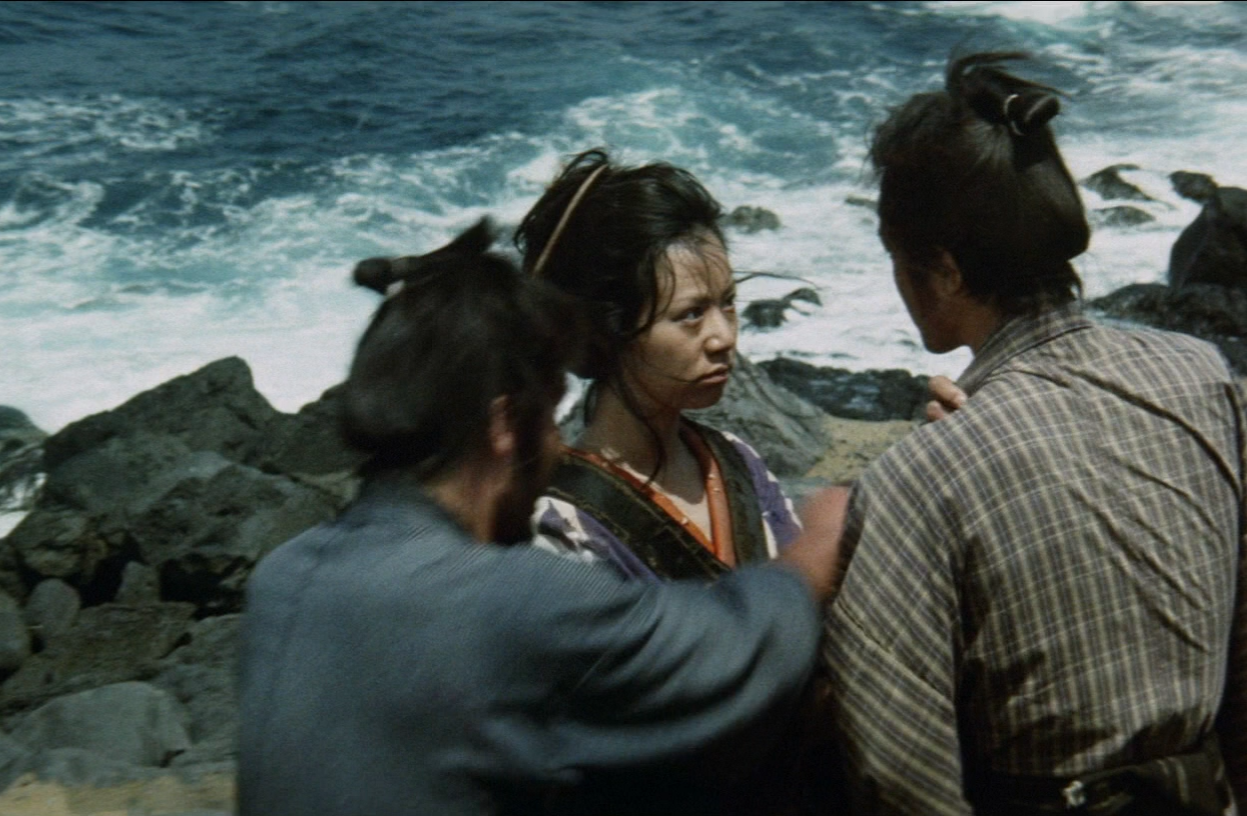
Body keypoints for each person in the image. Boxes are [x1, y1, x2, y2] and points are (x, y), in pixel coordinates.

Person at [823, 52, 1247, 816]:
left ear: (944, 270)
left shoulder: (920, 476)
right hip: (1208, 791)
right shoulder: (1203, 376)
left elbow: (899, 770)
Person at [235, 220, 850, 816]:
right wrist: (816, 545)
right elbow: (733, 651)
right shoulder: (514, 599)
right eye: (551, 416)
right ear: (504, 426)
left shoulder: (280, 581)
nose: (558, 446)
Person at [516, 149, 803, 582]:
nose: (724, 337)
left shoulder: (738, 462)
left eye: (728, 303)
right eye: (691, 314)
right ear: (608, 330)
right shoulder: (562, 529)